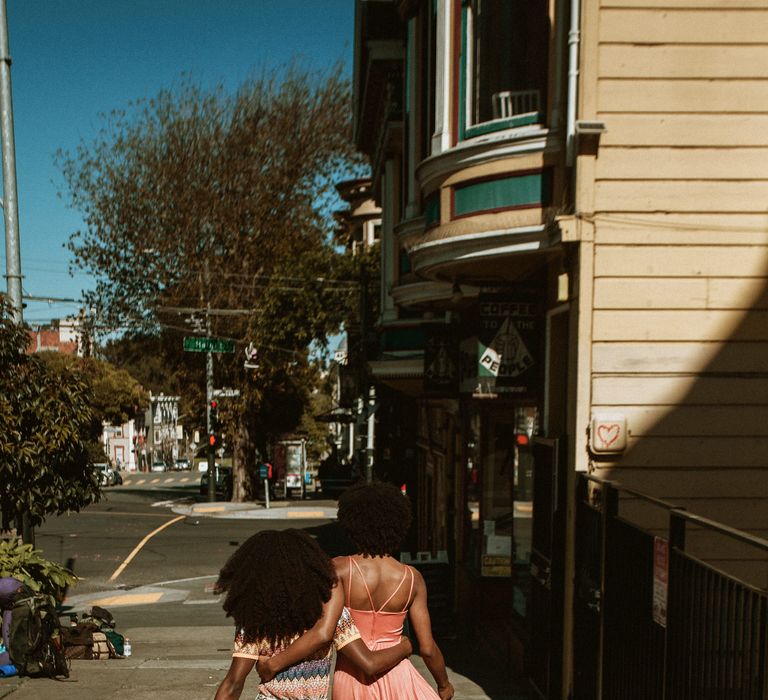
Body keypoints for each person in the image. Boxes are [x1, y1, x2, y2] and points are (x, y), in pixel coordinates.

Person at [259, 481, 454, 700]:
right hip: (400, 677)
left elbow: (323, 633)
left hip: (352, 680)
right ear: (399, 525)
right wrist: (444, 685)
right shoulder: (413, 579)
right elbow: (427, 648)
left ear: (353, 524)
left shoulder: (340, 569)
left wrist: (274, 664)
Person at [214, 529, 411, 700]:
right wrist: (406, 646)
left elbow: (233, 684)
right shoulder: (330, 616)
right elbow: (369, 663)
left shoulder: (255, 620)